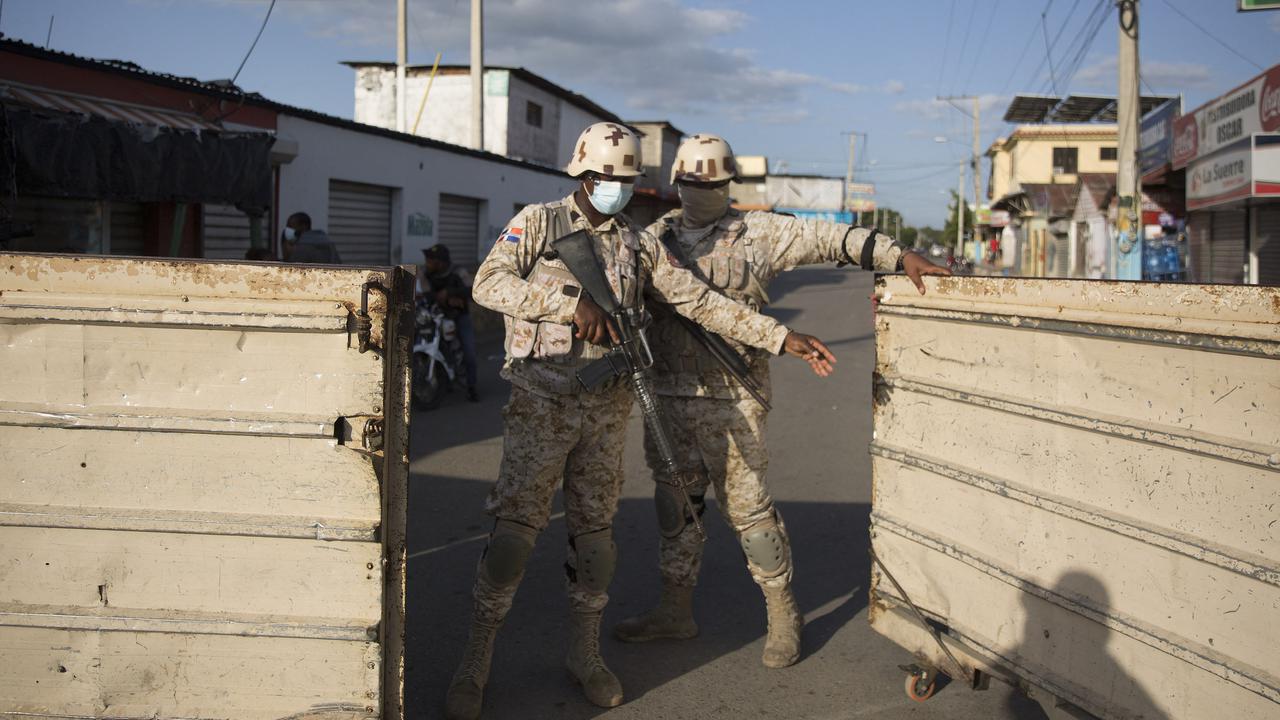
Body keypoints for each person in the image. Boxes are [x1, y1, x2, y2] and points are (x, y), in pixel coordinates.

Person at [444, 123, 837, 720]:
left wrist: (782, 337)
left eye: (626, 181)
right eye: (607, 179)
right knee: (513, 540)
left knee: (595, 541)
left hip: (606, 411)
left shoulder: (637, 244)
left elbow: (701, 302)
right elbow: (487, 282)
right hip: (541, 405)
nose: (617, 190)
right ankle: (475, 663)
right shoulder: (539, 222)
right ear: (583, 173)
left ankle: (585, 656)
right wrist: (569, 304)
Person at [612, 134, 950, 668]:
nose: (702, 191)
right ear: (677, 183)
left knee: (750, 513)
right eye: (693, 183)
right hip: (669, 395)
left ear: (729, 185)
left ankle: (782, 613)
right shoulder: (654, 238)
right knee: (676, 507)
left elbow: (833, 239)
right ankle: (675, 610)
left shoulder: (762, 232)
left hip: (735, 395)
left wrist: (900, 254)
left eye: (713, 183)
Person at [420, 243, 479, 401]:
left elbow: (472, 290)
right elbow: (424, 293)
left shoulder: (458, 272)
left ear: (441, 262)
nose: (427, 263)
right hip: (437, 317)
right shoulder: (426, 273)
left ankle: (471, 387)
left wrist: (450, 292)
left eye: (431, 260)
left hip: (460, 317)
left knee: (469, 352)